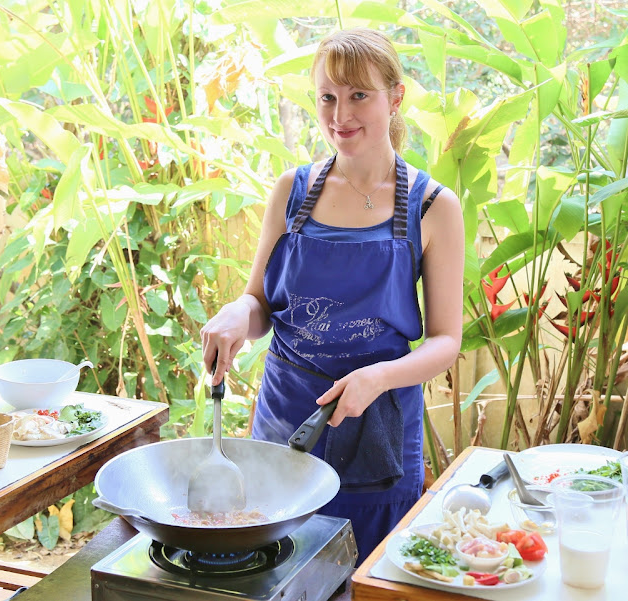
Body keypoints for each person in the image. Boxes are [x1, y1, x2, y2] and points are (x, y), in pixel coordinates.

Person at [201, 27, 464, 563]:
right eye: (328, 97)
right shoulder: (291, 192)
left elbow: (446, 341)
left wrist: (379, 376)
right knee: (273, 571)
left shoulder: (433, 206)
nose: (340, 114)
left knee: (365, 574)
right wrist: (235, 315)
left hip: (377, 427)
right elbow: (259, 305)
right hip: (283, 419)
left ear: (395, 97)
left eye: (358, 95)